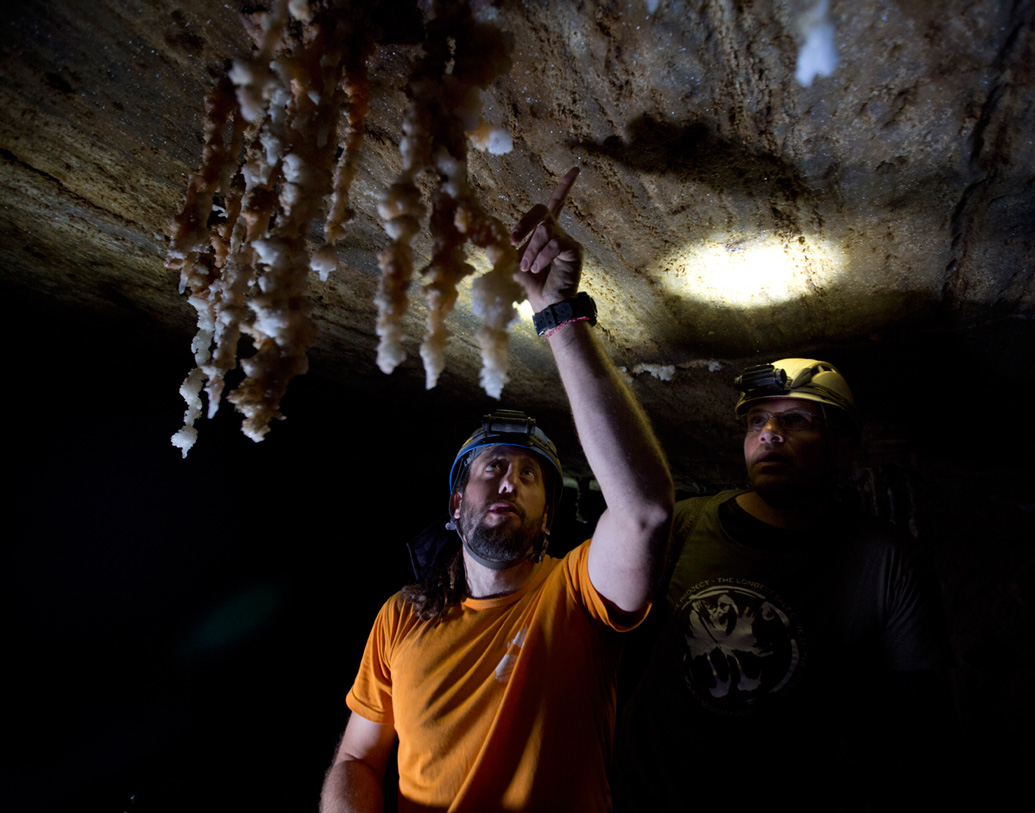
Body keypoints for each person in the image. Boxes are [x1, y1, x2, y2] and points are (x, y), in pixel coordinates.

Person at [319, 168, 673, 813]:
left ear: (546, 520)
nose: (510, 477)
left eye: (530, 475)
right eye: (491, 469)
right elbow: (355, 758)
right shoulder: (403, 615)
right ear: (456, 506)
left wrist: (559, 316)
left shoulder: (576, 597)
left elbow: (644, 513)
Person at [614, 358, 951, 812]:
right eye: (757, 421)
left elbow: (919, 721)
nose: (769, 433)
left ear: (845, 448)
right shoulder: (685, 523)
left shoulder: (886, 560)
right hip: (649, 795)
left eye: (796, 420)